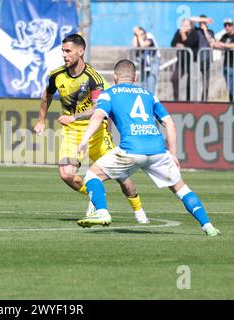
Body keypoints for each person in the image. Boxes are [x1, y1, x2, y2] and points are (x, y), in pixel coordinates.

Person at [76, 59, 221, 237]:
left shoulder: (109, 93)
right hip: (158, 150)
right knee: (181, 189)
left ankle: (102, 212)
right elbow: (170, 123)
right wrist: (173, 154)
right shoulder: (148, 94)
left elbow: (98, 115)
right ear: (135, 77)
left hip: (130, 150)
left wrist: (84, 139)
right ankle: (208, 226)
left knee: (92, 175)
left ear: (115, 77)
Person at [33, 34, 148, 224]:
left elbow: (98, 108)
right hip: (71, 133)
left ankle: (139, 210)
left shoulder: (93, 78)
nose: (64, 55)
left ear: (81, 51)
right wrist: (40, 121)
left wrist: (74, 116)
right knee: (66, 174)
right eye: (63, 51)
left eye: (68, 51)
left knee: (122, 176)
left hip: (96, 132)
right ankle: (95, 198)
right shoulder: (56, 75)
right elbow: (47, 94)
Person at [214, 18, 234, 103]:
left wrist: (223, 45)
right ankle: (232, 105)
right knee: (230, 87)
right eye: (225, 25)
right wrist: (218, 44)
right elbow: (216, 45)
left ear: (233, 26)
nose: (227, 27)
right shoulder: (225, 36)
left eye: (229, 25)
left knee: (231, 87)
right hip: (226, 65)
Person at [171, 18, 199, 101]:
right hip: (181, 61)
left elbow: (189, 43)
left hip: (192, 61)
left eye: (186, 25)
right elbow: (172, 43)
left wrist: (183, 35)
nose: (184, 27)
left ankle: (189, 100)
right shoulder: (178, 32)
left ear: (191, 26)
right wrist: (178, 45)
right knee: (174, 78)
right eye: (183, 25)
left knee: (190, 81)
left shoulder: (194, 33)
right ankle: (176, 99)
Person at [190, 15, 216, 101]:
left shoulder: (210, 32)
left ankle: (204, 100)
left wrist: (205, 30)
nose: (202, 24)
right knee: (194, 81)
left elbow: (211, 43)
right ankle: (193, 100)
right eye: (200, 22)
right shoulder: (196, 31)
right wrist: (204, 19)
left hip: (207, 59)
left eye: (203, 22)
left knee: (206, 82)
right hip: (196, 60)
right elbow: (190, 19)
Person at [132, 26, 160, 94]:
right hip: (144, 64)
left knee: (151, 83)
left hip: (152, 63)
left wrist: (139, 35)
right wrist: (135, 35)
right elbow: (135, 46)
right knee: (143, 84)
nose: (141, 36)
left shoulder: (149, 37)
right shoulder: (138, 38)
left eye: (142, 34)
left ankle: (151, 100)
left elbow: (143, 45)